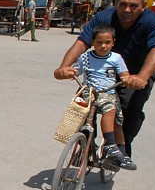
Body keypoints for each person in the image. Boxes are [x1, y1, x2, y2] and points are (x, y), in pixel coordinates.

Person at [54, 0, 155, 160]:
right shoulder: (104, 17)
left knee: (128, 109)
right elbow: (82, 42)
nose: (127, 9)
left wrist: (142, 77)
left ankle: (119, 152)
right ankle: (85, 145)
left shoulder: (152, 22)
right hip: (103, 70)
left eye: (133, 6)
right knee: (83, 104)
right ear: (117, 3)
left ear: (143, 6)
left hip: (136, 73)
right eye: (123, 4)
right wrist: (64, 66)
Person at [55, 24, 135, 169]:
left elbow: (125, 75)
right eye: (99, 42)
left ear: (113, 42)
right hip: (88, 92)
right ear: (92, 42)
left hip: (107, 92)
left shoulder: (116, 58)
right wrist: (66, 72)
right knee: (79, 116)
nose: (103, 46)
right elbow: (75, 71)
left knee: (111, 112)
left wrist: (127, 79)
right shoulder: (85, 57)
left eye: (107, 43)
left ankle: (112, 146)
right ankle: (86, 147)